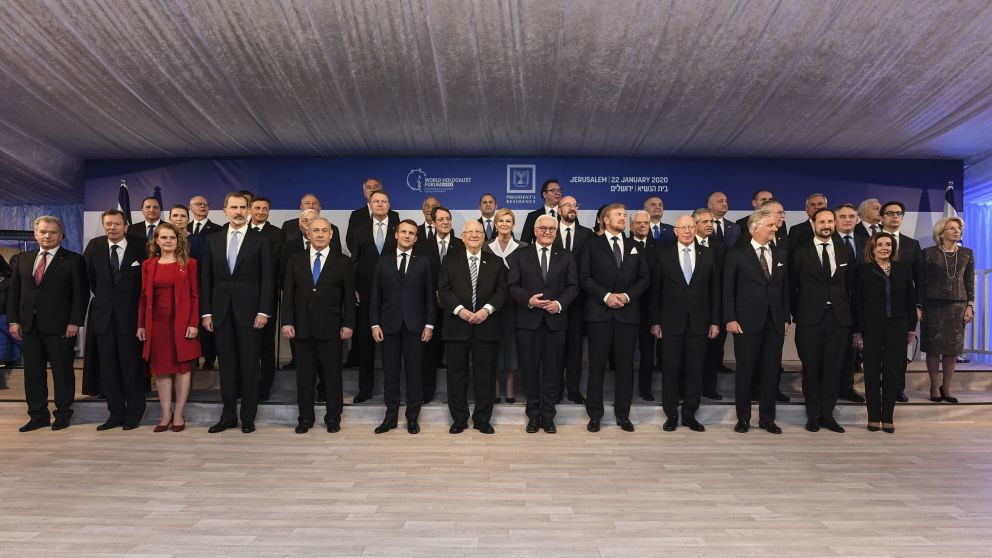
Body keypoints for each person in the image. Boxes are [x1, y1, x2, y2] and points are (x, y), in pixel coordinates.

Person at [200, 192, 274, 434]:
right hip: (221, 313)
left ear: (249, 210)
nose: (239, 211)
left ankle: (248, 417)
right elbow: (206, 279)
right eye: (234, 207)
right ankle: (228, 416)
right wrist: (206, 313)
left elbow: (268, 279)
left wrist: (264, 311)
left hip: (251, 313)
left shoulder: (261, 240)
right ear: (225, 211)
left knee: (250, 366)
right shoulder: (212, 240)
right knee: (227, 367)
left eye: (243, 207)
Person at [7, 216, 88, 432]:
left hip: (61, 327)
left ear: (61, 235)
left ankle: (63, 414)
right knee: (33, 374)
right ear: (35, 234)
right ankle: (38, 415)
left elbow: (80, 295)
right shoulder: (23, 259)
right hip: (29, 326)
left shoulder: (73, 260)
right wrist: (13, 320)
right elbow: (14, 293)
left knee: (62, 372)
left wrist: (74, 322)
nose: (47, 236)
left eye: (52, 232)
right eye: (43, 231)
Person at [579, 204, 650, 433]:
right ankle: (595, 415)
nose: (623, 218)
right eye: (618, 215)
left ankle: (623, 414)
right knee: (597, 366)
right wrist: (606, 296)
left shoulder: (634, 245)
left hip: (627, 315)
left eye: (624, 215)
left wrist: (627, 297)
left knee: (626, 367)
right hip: (599, 314)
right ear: (605, 220)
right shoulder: (591, 244)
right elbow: (584, 277)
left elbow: (644, 278)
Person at [281, 217, 355, 434]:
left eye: (324, 230)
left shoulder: (343, 262)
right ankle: (305, 418)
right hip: (302, 328)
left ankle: (333, 418)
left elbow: (349, 299)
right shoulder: (295, 260)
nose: (320, 234)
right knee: (304, 378)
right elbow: (288, 294)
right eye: (316, 230)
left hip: (331, 329)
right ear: (308, 234)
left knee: (332, 377)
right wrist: (287, 321)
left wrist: (348, 324)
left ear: (331, 235)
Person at [508, 214, 578, 434]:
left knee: (552, 372)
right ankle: (533, 415)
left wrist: (559, 304)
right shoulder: (520, 255)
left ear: (556, 232)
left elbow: (573, 286)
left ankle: (548, 416)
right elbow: (512, 285)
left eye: (552, 229)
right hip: (527, 323)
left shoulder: (566, 256)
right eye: (543, 228)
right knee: (529, 372)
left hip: (555, 323)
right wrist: (528, 301)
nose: (547, 232)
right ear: (535, 230)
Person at [650, 214, 720, 432]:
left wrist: (715, 321)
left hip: (700, 322)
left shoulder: (709, 255)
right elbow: (655, 291)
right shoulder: (663, 255)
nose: (688, 231)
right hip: (670, 322)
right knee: (670, 369)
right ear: (676, 231)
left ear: (695, 229)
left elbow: (715, 291)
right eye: (684, 228)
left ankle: (690, 414)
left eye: (691, 227)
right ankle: (671, 414)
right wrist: (655, 321)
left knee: (695, 370)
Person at [724, 209, 790, 434]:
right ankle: (743, 418)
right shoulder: (737, 254)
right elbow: (728, 289)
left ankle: (767, 419)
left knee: (771, 372)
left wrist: (786, 317)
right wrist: (730, 318)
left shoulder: (781, 254)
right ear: (755, 228)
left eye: (775, 225)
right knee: (745, 371)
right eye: (770, 225)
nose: (775, 229)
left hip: (775, 322)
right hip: (745, 322)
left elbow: (785, 289)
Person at [438, 220, 507, 434]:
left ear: (484, 236)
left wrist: (486, 310)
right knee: (456, 375)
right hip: (457, 326)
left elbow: (502, 291)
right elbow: (443, 290)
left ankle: (482, 420)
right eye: (470, 232)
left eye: (478, 232)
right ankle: (459, 419)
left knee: (485, 376)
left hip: (486, 326)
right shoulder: (450, 260)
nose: (475, 235)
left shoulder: (496, 262)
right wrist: (460, 310)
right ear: (463, 236)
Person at [789, 208, 853, 433]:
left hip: (838, 319)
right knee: (811, 368)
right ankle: (812, 415)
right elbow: (792, 286)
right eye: (822, 222)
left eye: (830, 221)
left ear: (834, 223)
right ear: (813, 224)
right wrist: (797, 313)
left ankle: (828, 415)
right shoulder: (800, 252)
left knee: (833, 369)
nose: (826, 226)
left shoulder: (845, 250)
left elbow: (850, 284)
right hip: (810, 319)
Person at [370, 220, 435, 434]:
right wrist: (374, 323)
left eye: (411, 233)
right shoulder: (383, 261)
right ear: (396, 235)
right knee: (390, 375)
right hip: (388, 326)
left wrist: (429, 324)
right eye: (403, 232)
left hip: (416, 326)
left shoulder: (424, 261)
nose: (407, 236)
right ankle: (390, 417)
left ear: (416, 238)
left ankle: (412, 418)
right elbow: (375, 295)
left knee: (414, 375)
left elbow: (430, 296)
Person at [83, 210, 146, 431]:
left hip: (131, 319)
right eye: (108, 224)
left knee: (131, 369)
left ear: (125, 226)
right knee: (108, 370)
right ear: (103, 225)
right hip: (104, 319)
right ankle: (115, 414)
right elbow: (90, 278)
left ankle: (134, 414)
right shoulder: (94, 246)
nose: (112, 227)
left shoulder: (141, 246)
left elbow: (145, 283)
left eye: (117, 224)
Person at [136, 223, 200, 433]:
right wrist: (141, 325)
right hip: (156, 324)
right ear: (156, 240)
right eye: (163, 237)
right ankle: (165, 414)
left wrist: (193, 323)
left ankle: (179, 413)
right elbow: (143, 297)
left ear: (178, 240)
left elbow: (195, 296)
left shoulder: (189, 263)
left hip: (181, 323)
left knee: (182, 369)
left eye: (172, 237)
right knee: (161, 370)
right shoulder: (148, 265)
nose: (168, 241)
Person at [853, 232, 917, 433]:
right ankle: (873, 417)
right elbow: (857, 303)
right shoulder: (862, 271)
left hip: (897, 328)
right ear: (872, 248)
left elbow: (910, 301)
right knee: (872, 373)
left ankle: (887, 417)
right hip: (871, 328)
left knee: (892, 373)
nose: (884, 248)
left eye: (888, 244)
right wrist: (857, 331)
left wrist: (911, 328)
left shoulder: (902, 270)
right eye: (880, 244)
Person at [350, 190, 399, 403]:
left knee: (392, 347)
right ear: (370, 205)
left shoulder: (399, 229)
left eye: (384, 201)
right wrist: (353, 287)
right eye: (376, 201)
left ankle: (393, 390)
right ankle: (365, 389)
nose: (380, 204)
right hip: (366, 294)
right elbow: (354, 261)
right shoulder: (360, 229)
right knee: (365, 345)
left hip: (393, 295)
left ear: (389, 205)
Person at [920, 216, 974, 404]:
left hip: (957, 306)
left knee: (952, 349)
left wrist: (970, 305)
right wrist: (918, 306)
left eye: (958, 228)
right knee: (933, 348)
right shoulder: (928, 253)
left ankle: (947, 387)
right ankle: (934, 386)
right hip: (932, 305)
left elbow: (969, 281)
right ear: (941, 233)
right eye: (951, 228)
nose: (956, 231)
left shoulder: (967, 253)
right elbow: (921, 282)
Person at [417, 206, 464, 403]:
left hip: (456, 307)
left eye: (448, 219)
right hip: (430, 307)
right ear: (433, 222)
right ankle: (427, 392)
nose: (445, 222)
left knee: (455, 354)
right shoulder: (422, 245)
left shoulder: (461, 244)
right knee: (429, 353)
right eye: (441, 219)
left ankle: (456, 395)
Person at [879, 200, 923, 402]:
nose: (895, 216)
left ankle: (897, 388)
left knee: (898, 351)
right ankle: (875, 386)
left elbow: (920, 278)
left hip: (902, 307)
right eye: (890, 213)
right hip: (875, 305)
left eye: (898, 213)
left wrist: (918, 305)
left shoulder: (912, 245)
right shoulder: (870, 241)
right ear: (882, 217)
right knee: (875, 350)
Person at [552, 196, 592, 403]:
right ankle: (556, 391)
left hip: (578, 302)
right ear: (558, 210)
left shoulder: (588, 234)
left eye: (575, 205)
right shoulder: (549, 231)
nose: (572, 208)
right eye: (567, 205)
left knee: (575, 350)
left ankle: (574, 391)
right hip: (554, 301)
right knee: (555, 349)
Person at [485, 208, 525, 404]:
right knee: (493, 343)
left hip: (515, 305)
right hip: (491, 304)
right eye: (501, 221)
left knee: (511, 345)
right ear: (495, 224)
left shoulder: (523, 247)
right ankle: (495, 386)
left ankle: (509, 386)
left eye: (508, 221)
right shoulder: (486, 246)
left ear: (513, 224)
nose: (504, 224)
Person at [248, 196, 284, 402]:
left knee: (266, 344)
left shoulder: (277, 234)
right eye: (257, 208)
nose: (261, 212)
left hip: (267, 296)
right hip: (243, 297)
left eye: (265, 209)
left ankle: (265, 385)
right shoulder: (240, 231)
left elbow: (275, 265)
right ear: (250, 210)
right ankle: (246, 384)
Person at [693, 208, 726, 400]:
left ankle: (709, 388)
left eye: (711, 222)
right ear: (694, 224)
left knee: (714, 351)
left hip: (715, 307)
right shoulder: (682, 244)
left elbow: (722, 280)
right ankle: (688, 389)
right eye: (704, 222)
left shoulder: (720, 247)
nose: (709, 225)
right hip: (691, 309)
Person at [834, 203, 866, 403]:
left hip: (858, 305)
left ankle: (846, 387)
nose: (847, 220)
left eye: (851, 216)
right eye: (843, 216)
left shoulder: (865, 241)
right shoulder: (827, 240)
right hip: (833, 306)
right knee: (833, 351)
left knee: (851, 351)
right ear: (835, 220)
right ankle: (829, 388)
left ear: (857, 219)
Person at [628, 209, 661, 400]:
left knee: (647, 353)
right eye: (638, 223)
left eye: (645, 223)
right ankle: (624, 389)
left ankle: (645, 389)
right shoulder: (623, 244)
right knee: (624, 351)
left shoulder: (660, 247)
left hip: (651, 307)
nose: (642, 226)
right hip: (627, 305)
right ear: (631, 226)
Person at [187, 195, 220, 370]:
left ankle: (209, 357)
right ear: (190, 207)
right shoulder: (183, 228)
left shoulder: (217, 229)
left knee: (207, 321)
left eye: (205, 204)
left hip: (208, 281)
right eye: (198, 204)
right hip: (187, 282)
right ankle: (192, 357)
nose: (202, 206)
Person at [346, 178, 399, 255]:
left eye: (376, 187)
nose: (372, 190)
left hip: (389, 260)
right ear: (364, 192)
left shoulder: (394, 216)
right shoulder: (356, 215)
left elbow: (398, 240)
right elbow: (350, 240)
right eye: (369, 187)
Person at [520, 179, 562, 244]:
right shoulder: (532, 216)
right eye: (553, 190)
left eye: (559, 190)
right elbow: (524, 242)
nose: (558, 193)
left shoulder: (567, 215)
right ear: (544, 194)